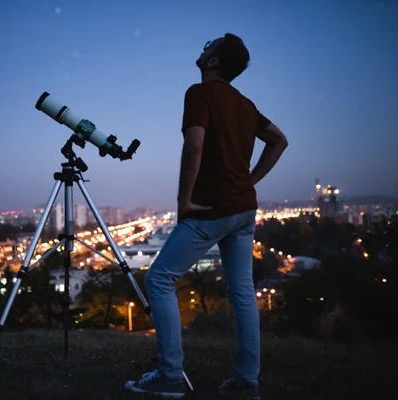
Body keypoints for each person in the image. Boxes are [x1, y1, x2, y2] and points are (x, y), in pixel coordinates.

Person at [124, 33, 289, 399]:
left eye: (208, 46)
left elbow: (194, 143)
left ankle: (169, 375)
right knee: (243, 293)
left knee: (160, 280)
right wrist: (251, 180)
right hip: (244, 209)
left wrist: (184, 199)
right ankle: (248, 381)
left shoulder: (198, 94)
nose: (202, 49)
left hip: (211, 208)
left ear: (213, 61)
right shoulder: (245, 105)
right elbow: (280, 140)